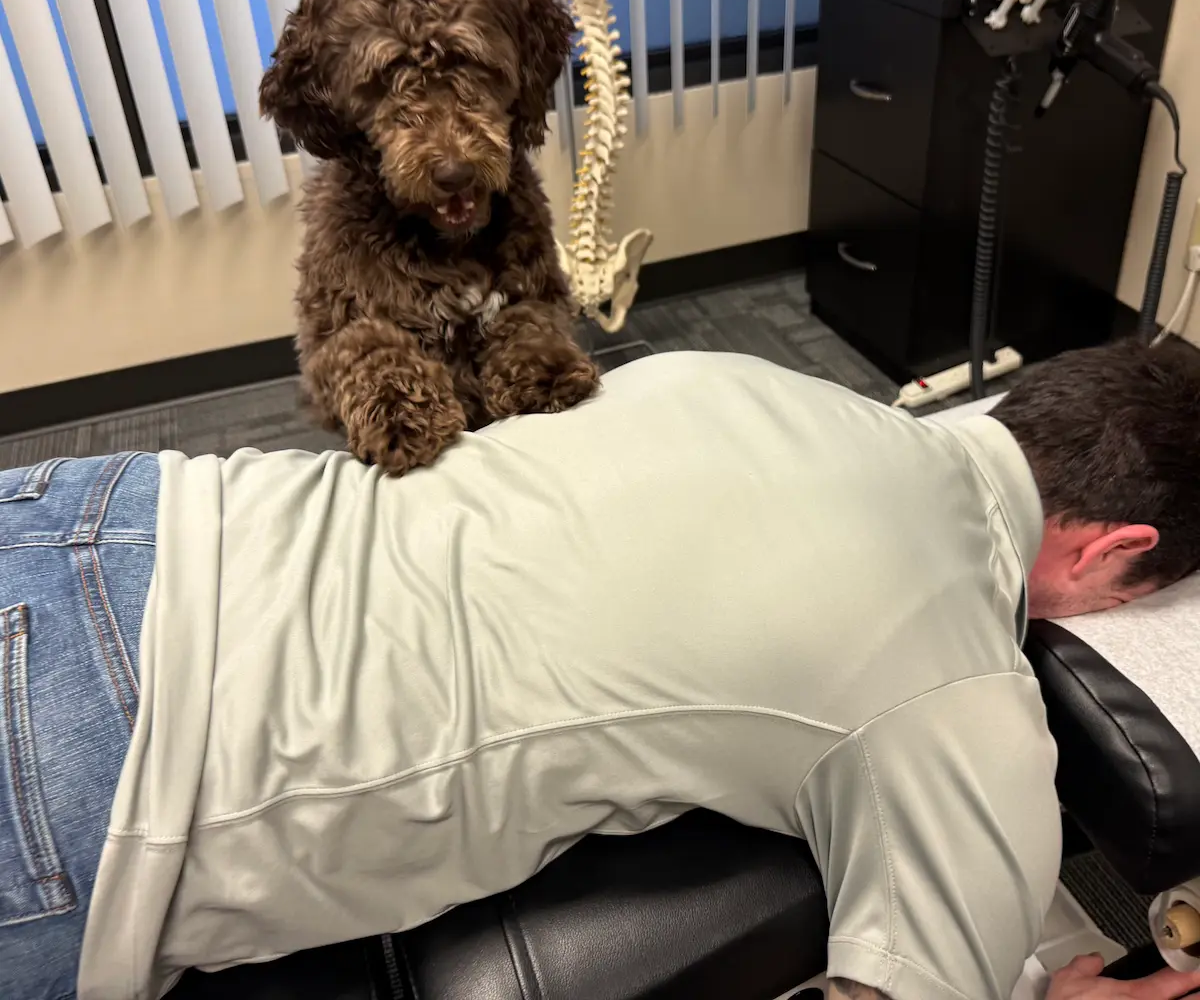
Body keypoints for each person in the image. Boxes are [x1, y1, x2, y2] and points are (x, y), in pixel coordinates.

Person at [3, 340, 1200, 1000]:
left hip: (115, 509)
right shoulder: (962, 698)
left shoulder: (733, 372)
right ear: (1115, 553)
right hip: (115, 761)